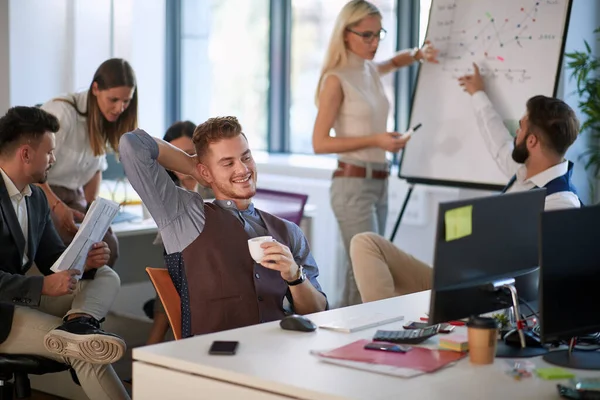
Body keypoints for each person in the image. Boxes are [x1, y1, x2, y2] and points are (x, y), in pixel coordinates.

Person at [349, 62, 582, 303]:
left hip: (484, 297)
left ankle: (389, 325)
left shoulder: (560, 203)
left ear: (532, 142)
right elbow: (497, 139)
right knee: (366, 243)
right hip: (460, 282)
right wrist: (478, 93)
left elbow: (537, 277)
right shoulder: (525, 170)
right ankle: (388, 325)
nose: (516, 134)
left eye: (520, 128)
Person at [119, 117, 328, 338]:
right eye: (228, 163)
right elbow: (132, 144)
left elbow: (318, 312)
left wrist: (294, 276)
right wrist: (191, 166)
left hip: (278, 354)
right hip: (214, 359)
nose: (243, 169)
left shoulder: (288, 232)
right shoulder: (183, 215)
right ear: (206, 173)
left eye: (246, 157)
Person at [312, 0, 439, 307]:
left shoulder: (369, 69)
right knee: (364, 272)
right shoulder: (336, 79)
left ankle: (352, 342)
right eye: (366, 35)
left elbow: (393, 63)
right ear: (345, 34)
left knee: (366, 267)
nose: (374, 42)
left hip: (378, 182)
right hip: (352, 185)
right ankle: (357, 345)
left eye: (379, 33)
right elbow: (319, 143)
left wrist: (417, 54)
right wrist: (377, 140)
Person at [0, 107, 129, 400]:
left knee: (106, 275)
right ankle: (77, 336)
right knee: (85, 352)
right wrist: (43, 286)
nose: (54, 160)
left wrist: (87, 261)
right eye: (50, 153)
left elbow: (54, 261)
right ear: (25, 154)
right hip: (1, 315)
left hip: (20, 301)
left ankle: (79, 323)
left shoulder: (35, 200)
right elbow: (46, 281)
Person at [39, 58, 138, 268]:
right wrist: (57, 207)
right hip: (44, 193)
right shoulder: (63, 112)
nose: (120, 108)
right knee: (66, 245)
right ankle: (67, 296)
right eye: (114, 99)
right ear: (95, 89)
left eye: (126, 101)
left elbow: (95, 170)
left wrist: (94, 214)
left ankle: (86, 298)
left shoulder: (105, 119)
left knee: (107, 246)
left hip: (75, 196)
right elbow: (33, 172)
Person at [144, 120, 214, 345]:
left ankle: (151, 350)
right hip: (181, 261)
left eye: (191, 154)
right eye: (176, 156)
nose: (184, 162)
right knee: (172, 265)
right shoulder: (166, 187)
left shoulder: (214, 186)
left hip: (212, 262)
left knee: (172, 273)